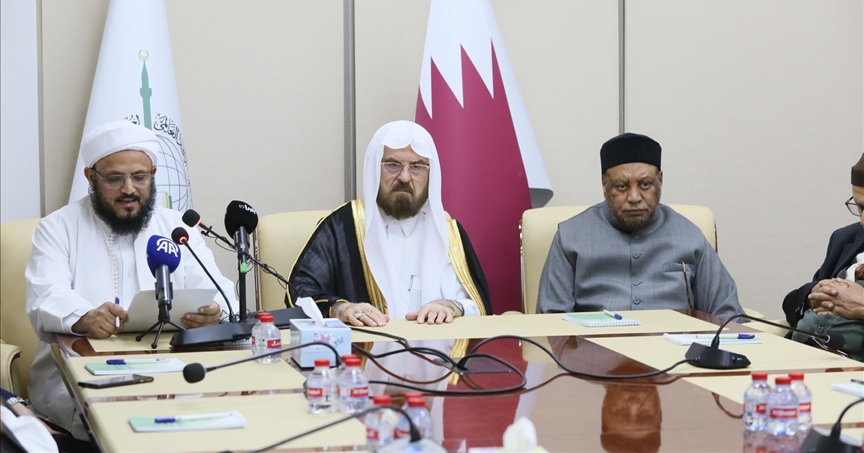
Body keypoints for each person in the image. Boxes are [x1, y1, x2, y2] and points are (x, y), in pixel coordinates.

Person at [25, 120, 238, 437]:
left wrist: (215, 311)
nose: (129, 189)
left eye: (139, 177)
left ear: (153, 174)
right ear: (91, 177)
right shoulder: (58, 228)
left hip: (174, 374)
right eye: (115, 179)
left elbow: (219, 291)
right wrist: (84, 316)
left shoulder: (177, 228)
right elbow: (45, 296)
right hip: (83, 378)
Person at [287, 120, 491, 326]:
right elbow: (299, 291)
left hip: (436, 346)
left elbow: (478, 306)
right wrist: (340, 308)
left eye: (417, 167)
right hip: (363, 345)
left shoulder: (448, 233)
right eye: (393, 165)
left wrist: (451, 306)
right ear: (374, 169)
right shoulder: (343, 226)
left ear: (431, 174)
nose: (405, 177)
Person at [536, 133, 743, 320]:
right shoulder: (570, 237)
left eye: (645, 185)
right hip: (593, 348)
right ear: (605, 185)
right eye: (622, 186)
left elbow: (729, 316)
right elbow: (550, 323)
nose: (634, 197)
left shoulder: (690, 236)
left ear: (660, 181)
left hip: (674, 348)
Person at [782, 153, 864, 360]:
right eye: (860, 207)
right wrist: (815, 296)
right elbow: (792, 303)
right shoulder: (845, 238)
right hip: (802, 356)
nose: (863, 221)